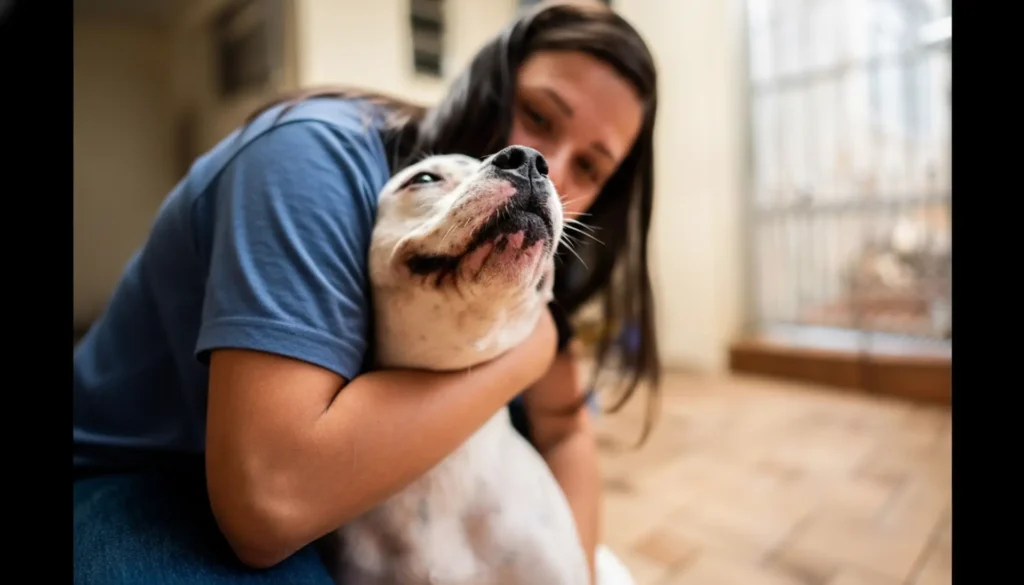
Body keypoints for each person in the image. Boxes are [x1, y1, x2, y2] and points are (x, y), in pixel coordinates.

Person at [72, 1, 661, 583]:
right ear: (486, 88)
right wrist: (527, 354)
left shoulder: (525, 256)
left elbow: (565, 426)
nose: (548, 169)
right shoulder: (311, 159)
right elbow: (270, 504)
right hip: (136, 469)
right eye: (538, 114)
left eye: (589, 167)